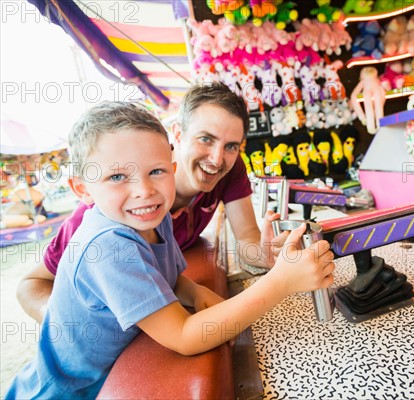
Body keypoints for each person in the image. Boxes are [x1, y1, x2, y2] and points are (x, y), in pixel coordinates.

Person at [6, 102, 335, 399]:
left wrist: (196, 293)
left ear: (171, 168)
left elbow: (171, 278)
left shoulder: (154, 215)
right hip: (67, 391)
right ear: (82, 188)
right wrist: (281, 282)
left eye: (156, 171)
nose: (144, 191)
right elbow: (184, 335)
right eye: (118, 176)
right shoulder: (108, 246)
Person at [17, 82, 284, 323]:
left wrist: (262, 254)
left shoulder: (230, 168)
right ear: (178, 134)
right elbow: (32, 283)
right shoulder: (104, 213)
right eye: (205, 139)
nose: (217, 158)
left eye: (231, 146)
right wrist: (71, 325)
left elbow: (247, 234)